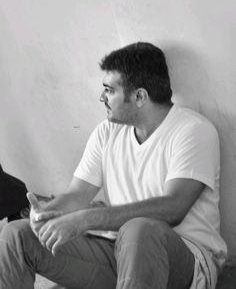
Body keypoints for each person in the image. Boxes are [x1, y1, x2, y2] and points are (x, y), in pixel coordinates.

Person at [0, 42, 227, 289]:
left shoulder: (193, 131)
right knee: (17, 236)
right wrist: (47, 213)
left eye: (109, 90)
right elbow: (77, 194)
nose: (102, 98)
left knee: (139, 230)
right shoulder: (107, 132)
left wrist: (86, 219)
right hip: (119, 254)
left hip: (185, 261)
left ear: (139, 96)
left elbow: (173, 208)